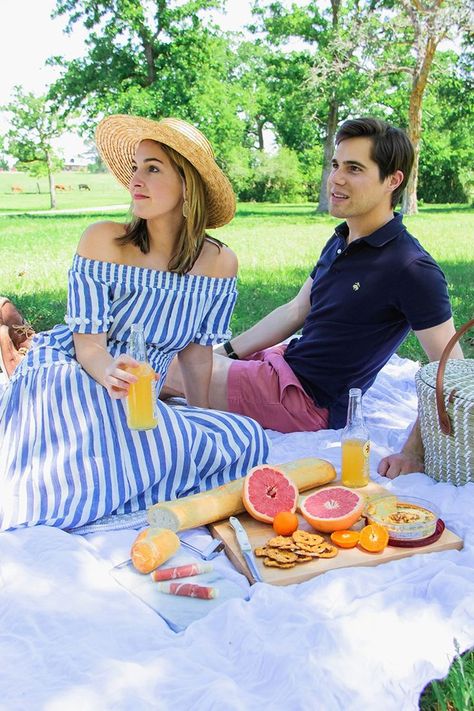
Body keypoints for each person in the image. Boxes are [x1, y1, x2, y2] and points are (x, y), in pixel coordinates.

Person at [0, 115, 269, 531]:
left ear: (187, 185)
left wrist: (196, 422)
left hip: (140, 398)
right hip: (75, 373)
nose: (135, 180)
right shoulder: (104, 241)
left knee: (245, 437)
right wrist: (109, 371)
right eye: (136, 167)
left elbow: (197, 357)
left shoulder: (220, 263)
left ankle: (133, 461)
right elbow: (88, 346)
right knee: (91, 406)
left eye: (153, 168)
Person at [163, 117, 463, 479]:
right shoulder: (341, 238)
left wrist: (414, 452)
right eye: (336, 165)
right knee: (172, 355)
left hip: (306, 401)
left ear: (393, 180)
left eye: (354, 169)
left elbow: (450, 370)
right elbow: (296, 309)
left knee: (159, 369)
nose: (335, 178)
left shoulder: (411, 268)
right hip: (284, 364)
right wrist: (225, 352)